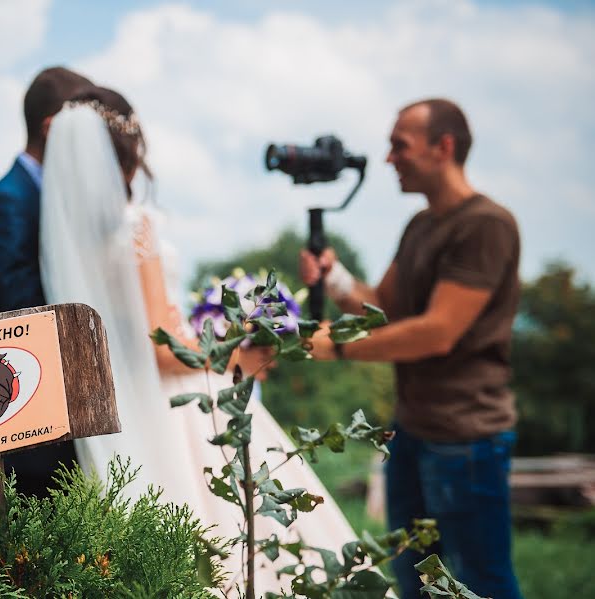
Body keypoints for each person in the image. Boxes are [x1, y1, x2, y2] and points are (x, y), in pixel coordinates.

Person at [39, 87, 359, 595]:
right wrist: (240, 348)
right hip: (178, 400)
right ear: (129, 153)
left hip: (126, 402)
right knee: (243, 534)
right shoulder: (135, 229)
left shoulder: (69, 245)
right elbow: (166, 350)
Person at [301, 98, 523, 599]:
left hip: (466, 439)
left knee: (478, 581)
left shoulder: (486, 225)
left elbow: (436, 331)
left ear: (443, 147)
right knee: (416, 578)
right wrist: (333, 277)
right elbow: (382, 307)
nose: (387, 160)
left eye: (399, 146)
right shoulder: (421, 226)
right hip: (413, 433)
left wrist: (334, 345)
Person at [0, 66, 92, 498]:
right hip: (36, 434)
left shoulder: (53, 199)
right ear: (52, 127)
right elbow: (18, 318)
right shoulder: (9, 202)